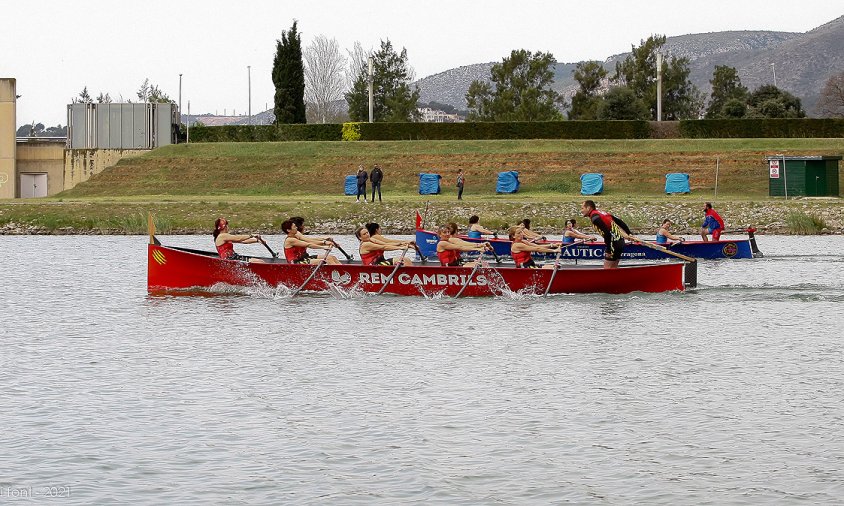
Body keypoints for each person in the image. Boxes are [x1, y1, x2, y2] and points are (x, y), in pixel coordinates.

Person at [581, 200, 632, 269]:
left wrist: (609, 248)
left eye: (582, 208)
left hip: (613, 244)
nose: (581, 211)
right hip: (620, 242)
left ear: (588, 208)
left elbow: (607, 233)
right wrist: (629, 233)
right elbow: (619, 222)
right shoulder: (602, 213)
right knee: (613, 268)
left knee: (607, 269)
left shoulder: (595, 218)